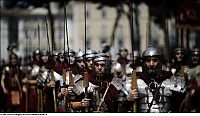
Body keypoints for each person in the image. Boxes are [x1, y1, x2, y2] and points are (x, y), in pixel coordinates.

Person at [122, 46, 186, 112]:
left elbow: (182, 107)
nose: (151, 64)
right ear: (143, 63)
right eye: (148, 60)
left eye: (155, 60)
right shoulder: (134, 81)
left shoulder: (171, 80)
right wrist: (128, 100)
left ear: (160, 62)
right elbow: (121, 109)